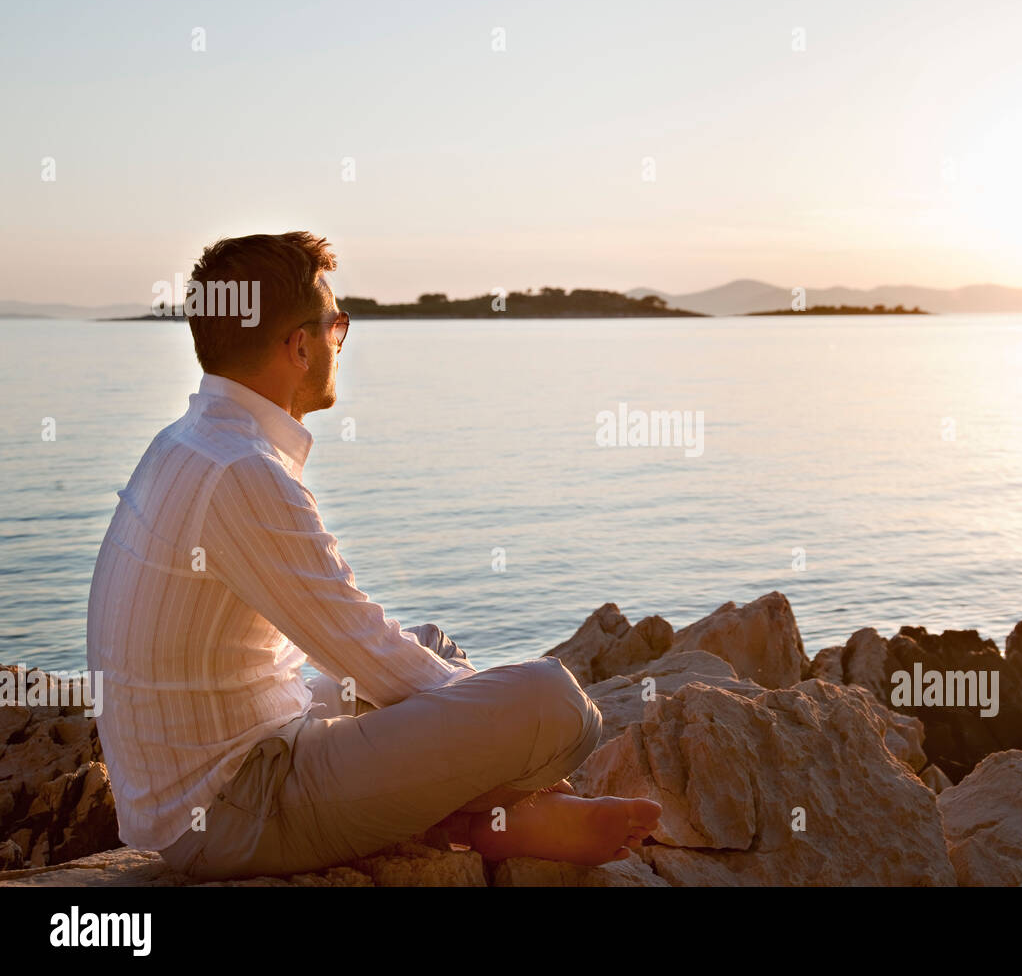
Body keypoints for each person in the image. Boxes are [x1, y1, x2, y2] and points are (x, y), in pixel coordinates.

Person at [86, 231, 660, 881]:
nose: (340, 340)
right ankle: (491, 822)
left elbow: (364, 649)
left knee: (433, 644)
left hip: (238, 757)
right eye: (337, 325)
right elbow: (360, 648)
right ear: (300, 346)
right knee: (557, 707)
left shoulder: (190, 442)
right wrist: (500, 740)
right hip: (236, 808)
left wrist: (463, 713)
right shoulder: (242, 471)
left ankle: (477, 812)